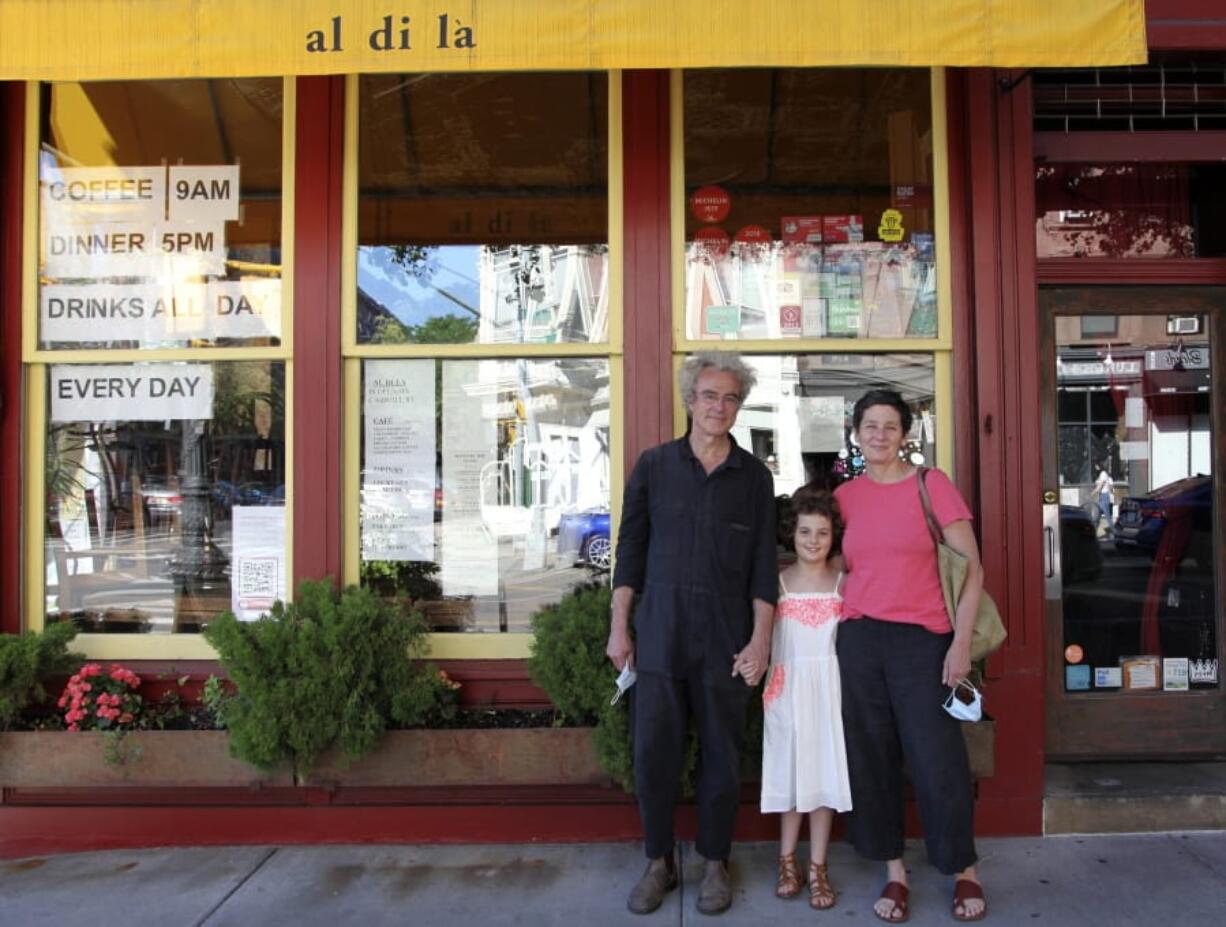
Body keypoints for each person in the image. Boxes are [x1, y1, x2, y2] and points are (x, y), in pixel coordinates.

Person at [607, 351, 777, 917]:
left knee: (723, 758)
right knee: (654, 754)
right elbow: (629, 551)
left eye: (731, 398)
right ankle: (659, 861)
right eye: (710, 395)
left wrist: (760, 641)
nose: (719, 406)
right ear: (690, 400)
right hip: (661, 634)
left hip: (726, 640)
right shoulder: (653, 466)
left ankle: (714, 861)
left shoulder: (754, 477)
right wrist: (619, 628)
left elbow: (762, 568)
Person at [834, 389, 988, 923]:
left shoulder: (931, 485)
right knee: (871, 759)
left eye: (890, 426)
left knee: (936, 760)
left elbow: (971, 568)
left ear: (905, 434)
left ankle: (962, 870)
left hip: (923, 641)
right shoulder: (846, 497)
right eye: (869, 425)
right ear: (856, 433)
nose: (879, 435)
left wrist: (961, 643)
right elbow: (834, 565)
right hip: (859, 640)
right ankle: (895, 873)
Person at [759, 488, 852, 910]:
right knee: (791, 777)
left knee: (822, 780)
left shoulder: (843, 584)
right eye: (804, 531)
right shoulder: (777, 583)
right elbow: (768, 641)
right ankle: (786, 861)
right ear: (790, 533)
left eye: (822, 532)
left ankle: (817, 866)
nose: (813, 540)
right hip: (787, 690)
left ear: (834, 536)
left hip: (828, 693)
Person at [1093, 464, 1114, 536]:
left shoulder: (1103, 474)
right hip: (1101, 497)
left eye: (1096, 466)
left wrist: (1092, 493)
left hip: (1104, 497)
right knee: (1097, 516)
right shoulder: (1100, 475)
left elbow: (1100, 486)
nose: (1095, 468)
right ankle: (1093, 533)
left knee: (1107, 516)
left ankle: (1114, 532)